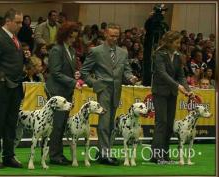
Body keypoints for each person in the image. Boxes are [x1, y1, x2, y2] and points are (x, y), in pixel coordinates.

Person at [80, 24, 138, 165]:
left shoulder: (123, 52)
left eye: (117, 36)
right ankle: (105, 154)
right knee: (104, 123)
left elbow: (126, 70)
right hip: (103, 90)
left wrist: (131, 77)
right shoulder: (96, 51)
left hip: (117, 90)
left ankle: (105, 152)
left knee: (112, 124)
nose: (114, 38)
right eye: (112, 35)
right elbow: (84, 72)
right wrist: (95, 83)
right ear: (105, 34)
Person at [0, 8, 29, 169]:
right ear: (7, 21)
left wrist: (25, 59)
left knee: (11, 123)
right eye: (17, 22)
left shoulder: (15, 38)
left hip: (15, 85)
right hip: (2, 86)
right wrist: (1, 77)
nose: (20, 25)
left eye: (21, 22)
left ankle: (9, 155)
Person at [150, 31, 194, 164]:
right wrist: (178, 86)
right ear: (169, 42)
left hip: (172, 94)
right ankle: (156, 156)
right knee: (161, 122)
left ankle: (165, 155)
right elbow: (162, 73)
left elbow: (180, 75)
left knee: (169, 124)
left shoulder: (178, 56)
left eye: (179, 42)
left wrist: (187, 89)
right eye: (176, 42)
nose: (178, 45)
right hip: (160, 92)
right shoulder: (159, 54)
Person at [45, 21, 81, 165]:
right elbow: (56, 72)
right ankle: (54, 155)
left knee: (61, 124)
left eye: (75, 37)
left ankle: (58, 153)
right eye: (71, 37)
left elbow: (65, 71)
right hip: (56, 92)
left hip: (66, 92)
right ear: (64, 35)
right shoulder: (56, 50)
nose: (73, 40)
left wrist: (75, 75)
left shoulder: (71, 50)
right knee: (57, 124)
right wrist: (73, 82)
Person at [142, 3, 169, 86]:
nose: (163, 13)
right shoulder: (150, 22)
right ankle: (147, 83)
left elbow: (166, 37)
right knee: (149, 65)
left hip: (160, 52)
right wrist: (149, 19)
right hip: (150, 50)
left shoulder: (164, 25)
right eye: (162, 11)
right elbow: (147, 28)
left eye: (163, 11)